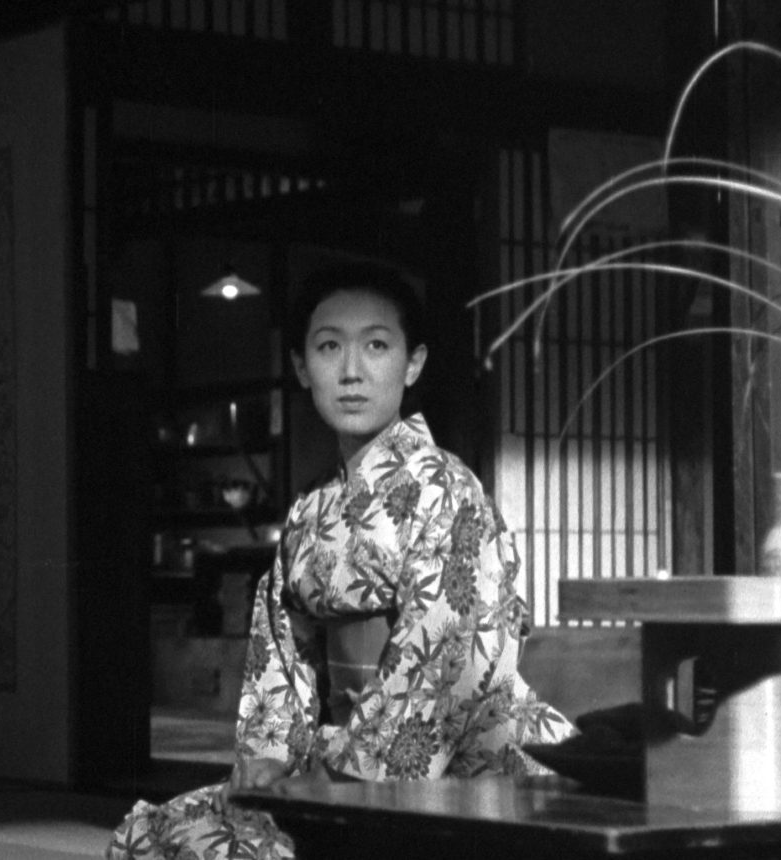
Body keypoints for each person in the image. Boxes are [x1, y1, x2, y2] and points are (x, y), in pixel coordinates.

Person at [108, 263, 574, 860]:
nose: (351, 371)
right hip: (339, 760)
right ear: (302, 366)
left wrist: (349, 778)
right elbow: (281, 652)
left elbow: (446, 656)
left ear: (413, 362)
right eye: (329, 347)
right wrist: (271, 757)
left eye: (376, 346)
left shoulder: (447, 492)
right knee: (156, 836)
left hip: (462, 768)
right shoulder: (310, 510)